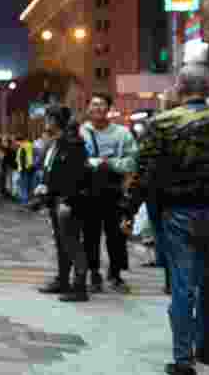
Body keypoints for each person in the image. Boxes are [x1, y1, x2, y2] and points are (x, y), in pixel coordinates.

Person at [126, 63, 209, 375]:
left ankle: (183, 360)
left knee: (183, 286)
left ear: (180, 88)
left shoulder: (163, 123)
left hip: (178, 213)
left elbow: (144, 173)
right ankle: (207, 351)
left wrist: (128, 211)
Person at [81, 93, 137, 294]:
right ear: (88, 108)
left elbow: (132, 162)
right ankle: (93, 273)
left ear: (109, 108)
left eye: (102, 104)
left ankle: (116, 274)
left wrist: (108, 163)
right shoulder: (80, 133)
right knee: (90, 235)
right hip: (87, 193)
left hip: (114, 192)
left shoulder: (122, 134)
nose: (97, 108)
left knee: (116, 236)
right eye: (93, 104)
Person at [33, 107, 92, 302]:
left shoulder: (73, 143)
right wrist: (45, 190)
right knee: (62, 243)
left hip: (69, 203)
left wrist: (67, 200)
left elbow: (77, 177)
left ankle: (80, 287)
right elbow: (53, 171)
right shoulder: (57, 143)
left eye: (48, 119)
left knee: (73, 244)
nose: (45, 122)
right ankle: (63, 280)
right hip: (56, 200)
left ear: (55, 121)